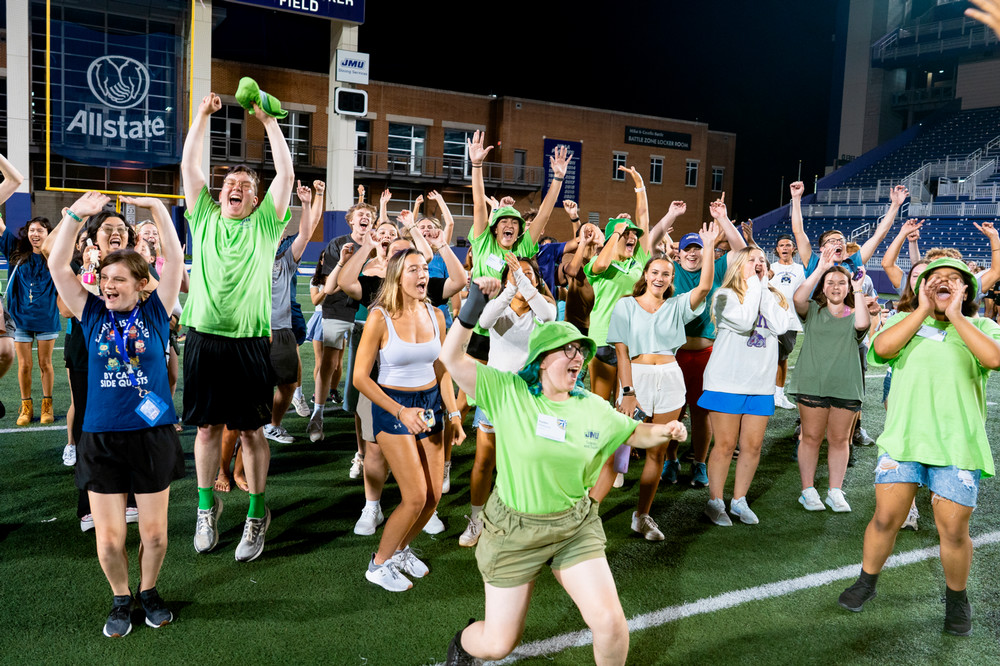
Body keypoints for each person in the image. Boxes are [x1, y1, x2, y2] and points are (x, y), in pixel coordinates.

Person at [440, 308, 686, 665]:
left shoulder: (592, 406)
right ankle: (463, 646)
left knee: (611, 624)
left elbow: (633, 432)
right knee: (497, 644)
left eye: (581, 352)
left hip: (574, 525)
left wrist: (664, 431)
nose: (578, 358)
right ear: (541, 360)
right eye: (567, 349)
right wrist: (473, 304)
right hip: (514, 531)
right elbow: (450, 357)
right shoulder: (509, 392)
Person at [838, 258, 1000, 636]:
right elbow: (884, 347)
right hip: (905, 440)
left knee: (954, 530)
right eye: (934, 278)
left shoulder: (981, 325)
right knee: (885, 518)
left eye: (953, 279)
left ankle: (957, 598)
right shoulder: (903, 321)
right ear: (922, 286)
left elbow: (994, 359)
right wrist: (924, 309)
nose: (943, 282)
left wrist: (957, 315)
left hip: (958, 445)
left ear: (967, 290)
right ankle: (867, 581)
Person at [48, 189, 185, 638]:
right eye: (105, 278)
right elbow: (56, 265)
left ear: (141, 283)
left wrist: (159, 211)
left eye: (119, 279)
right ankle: (121, 597)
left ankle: (149, 591)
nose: (108, 285)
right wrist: (73, 214)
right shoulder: (91, 314)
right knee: (108, 539)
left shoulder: (157, 312)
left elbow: (177, 259)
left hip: (151, 435)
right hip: (101, 438)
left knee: (156, 535)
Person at [181, 91, 294, 562]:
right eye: (231, 180)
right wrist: (202, 117)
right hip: (203, 339)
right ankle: (207, 508)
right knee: (206, 431)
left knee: (251, 433)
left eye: (246, 185)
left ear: (256, 199)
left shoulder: (266, 226)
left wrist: (268, 122)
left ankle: (256, 513)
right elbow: (190, 169)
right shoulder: (204, 216)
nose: (237, 186)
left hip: (249, 344)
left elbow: (285, 174)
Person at [338, 230, 470, 538]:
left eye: (421, 265)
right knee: (373, 449)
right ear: (391, 267)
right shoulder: (375, 289)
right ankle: (373, 505)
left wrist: (440, 245)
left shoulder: (429, 300)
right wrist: (368, 247)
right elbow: (344, 282)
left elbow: (460, 281)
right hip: (378, 384)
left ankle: (424, 509)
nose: (420, 271)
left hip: (424, 394)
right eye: (406, 262)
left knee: (424, 466)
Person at [352, 248, 460, 591]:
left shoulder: (436, 315)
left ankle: (400, 549)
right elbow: (360, 378)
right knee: (414, 495)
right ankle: (378, 563)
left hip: (430, 405)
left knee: (432, 497)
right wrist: (400, 411)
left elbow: (441, 369)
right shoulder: (379, 317)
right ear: (398, 276)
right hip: (393, 405)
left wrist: (454, 411)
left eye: (425, 268)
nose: (423, 275)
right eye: (414, 269)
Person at [605, 223, 718, 540]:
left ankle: (642, 515)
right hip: (637, 379)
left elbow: (705, 287)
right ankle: (585, 512)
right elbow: (622, 353)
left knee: (656, 452)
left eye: (666, 274)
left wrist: (708, 247)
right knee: (618, 446)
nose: (659, 278)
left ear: (671, 279)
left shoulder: (677, 305)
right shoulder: (626, 305)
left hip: (670, 379)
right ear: (646, 274)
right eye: (655, 272)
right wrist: (627, 392)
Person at [645, 195, 746, 486]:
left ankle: (699, 463)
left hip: (705, 354)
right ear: (678, 253)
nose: (692, 253)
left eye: (697, 249)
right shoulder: (669, 272)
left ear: (706, 252)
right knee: (671, 410)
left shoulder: (715, 271)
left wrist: (723, 220)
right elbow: (650, 243)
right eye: (688, 249)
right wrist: (671, 215)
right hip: (672, 353)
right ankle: (671, 460)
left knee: (702, 414)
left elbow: (742, 249)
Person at [458, 252, 557, 547]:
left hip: (531, 398)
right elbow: (485, 322)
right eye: (515, 273)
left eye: (528, 274)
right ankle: (477, 519)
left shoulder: (543, 310)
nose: (521, 277)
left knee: (529, 461)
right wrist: (511, 287)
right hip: (497, 394)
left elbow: (549, 315)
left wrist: (523, 280)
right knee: (485, 460)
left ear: (537, 281)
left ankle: (526, 520)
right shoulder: (501, 312)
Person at [700, 247, 793, 526]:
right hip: (726, 380)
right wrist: (755, 284)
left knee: (752, 446)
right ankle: (715, 501)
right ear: (738, 265)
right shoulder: (723, 295)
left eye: (761, 261)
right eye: (751, 260)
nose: (757, 264)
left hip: (760, 383)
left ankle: (739, 500)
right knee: (725, 445)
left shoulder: (769, 293)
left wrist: (764, 287)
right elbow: (742, 321)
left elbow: (778, 326)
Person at [787, 246, 871, 513]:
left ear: (849, 287)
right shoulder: (813, 310)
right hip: (813, 383)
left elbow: (861, 325)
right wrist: (821, 268)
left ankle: (835, 490)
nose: (835, 287)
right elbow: (798, 298)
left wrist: (858, 289)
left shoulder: (857, 311)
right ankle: (808, 490)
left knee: (839, 440)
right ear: (823, 287)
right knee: (810, 437)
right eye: (830, 283)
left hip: (845, 385)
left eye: (841, 282)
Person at [309, 197, 377, 442]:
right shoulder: (338, 244)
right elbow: (329, 284)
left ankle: (367, 414)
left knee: (368, 366)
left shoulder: (378, 245)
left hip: (367, 311)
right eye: (360, 214)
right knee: (330, 363)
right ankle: (317, 414)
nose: (365, 218)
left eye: (369, 215)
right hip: (337, 308)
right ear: (350, 221)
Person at [263, 180, 323, 444]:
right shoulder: (245, 255)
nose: (278, 232)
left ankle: (272, 425)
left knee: (288, 383)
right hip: (250, 331)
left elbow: (306, 234)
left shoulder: (284, 260)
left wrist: (307, 203)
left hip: (282, 330)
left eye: (282, 228)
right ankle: (249, 429)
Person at [768, 234, 804, 410]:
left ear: (793, 249)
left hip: (790, 320)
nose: (784, 248)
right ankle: (766, 393)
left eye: (788, 245)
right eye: (781, 245)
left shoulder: (801, 269)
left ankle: (779, 395)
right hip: (769, 319)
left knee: (783, 357)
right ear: (777, 249)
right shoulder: (771, 268)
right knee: (767, 356)